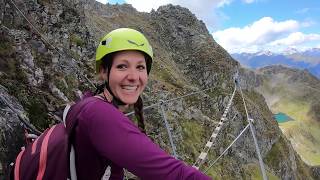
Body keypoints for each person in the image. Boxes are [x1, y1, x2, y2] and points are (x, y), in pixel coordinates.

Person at [72, 28, 211, 179]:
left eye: (140, 67)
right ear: (104, 71)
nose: (133, 77)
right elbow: (175, 175)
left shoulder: (89, 102)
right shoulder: (100, 115)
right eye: (122, 66)